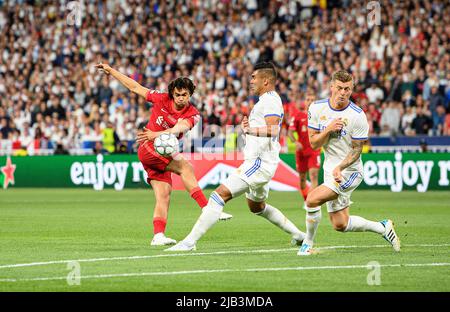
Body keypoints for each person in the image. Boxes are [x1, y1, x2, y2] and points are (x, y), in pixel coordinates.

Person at [165, 62, 305, 251]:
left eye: (254, 77)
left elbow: (273, 129)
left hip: (258, 163)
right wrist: (250, 129)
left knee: (217, 197)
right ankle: (299, 235)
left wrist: (250, 129)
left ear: (266, 80)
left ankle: (189, 242)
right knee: (257, 207)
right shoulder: (266, 100)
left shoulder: (270, 100)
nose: (251, 81)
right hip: (262, 161)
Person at [94, 63, 232, 246]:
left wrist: (155, 134)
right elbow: (135, 87)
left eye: (185, 95)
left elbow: (178, 129)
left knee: (164, 194)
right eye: (177, 94)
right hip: (148, 148)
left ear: (190, 95)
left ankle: (158, 235)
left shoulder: (193, 114)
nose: (181, 98)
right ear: (172, 94)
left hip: (159, 148)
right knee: (185, 167)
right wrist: (111, 71)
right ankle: (207, 208)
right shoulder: (161, 98)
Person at [298, 70, 400, 256]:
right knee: (340, 224)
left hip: (350, 171)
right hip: (331, 171)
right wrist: (328, 129)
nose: (343, 93)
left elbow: (357, 150)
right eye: (339, 88)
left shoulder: (357, 115)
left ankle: (307, 245)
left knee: (312, 199)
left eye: (347, 89)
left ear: (351, 89)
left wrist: (340, 167)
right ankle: (383, 227)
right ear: (331, 87)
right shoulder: (316, 108)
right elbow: (313, 144)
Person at [287, 90, 321, 202]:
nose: (310, 102)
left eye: (312, 100)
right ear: (304, 102)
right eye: (308, 100)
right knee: (302, 179)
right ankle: (307, 200)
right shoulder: (297, 115)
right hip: (301, 151)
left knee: (314, 175)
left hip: (314, 150)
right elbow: (290, 132)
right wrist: (295, 142)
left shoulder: (320, 117)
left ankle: (312, 202)